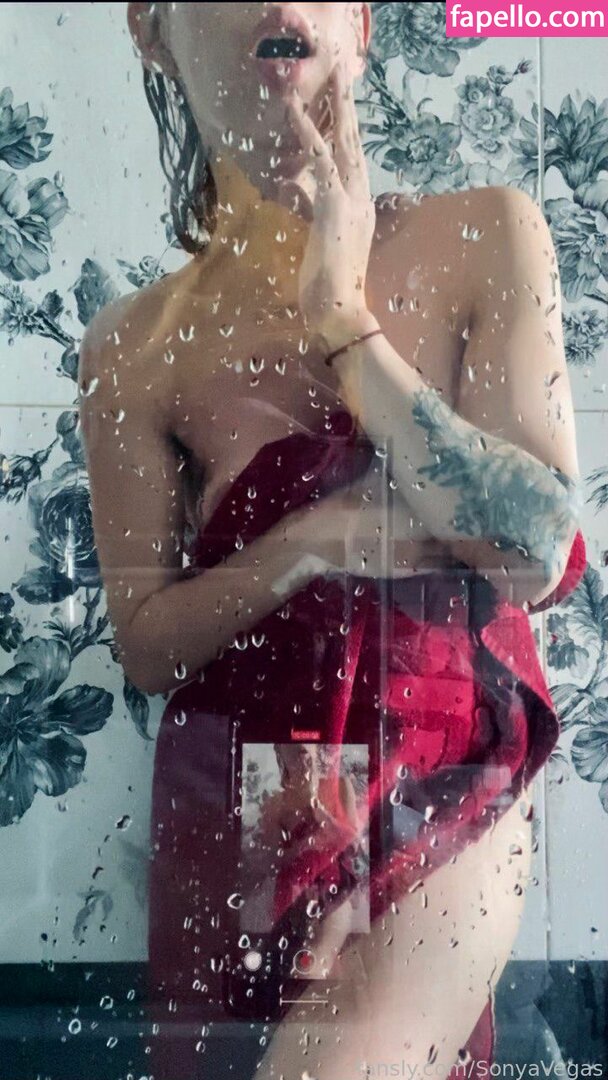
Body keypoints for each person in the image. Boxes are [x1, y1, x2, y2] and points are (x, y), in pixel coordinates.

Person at [78, 3, 587, 1078]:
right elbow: (148, 647)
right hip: (246, 785)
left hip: (449, 766)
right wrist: (312, 540)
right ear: (151, 30)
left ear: (358, 28)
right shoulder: (131, 345)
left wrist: (343, 319)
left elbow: (536, 546)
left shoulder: (486, 231)